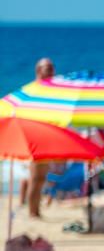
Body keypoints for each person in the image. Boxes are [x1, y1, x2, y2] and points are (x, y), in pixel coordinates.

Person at [21, 58, 56, 218]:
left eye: (51, 68)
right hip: (35, 135)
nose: (50, 71)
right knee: (35, 177)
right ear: (38, 70)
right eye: (47, 68)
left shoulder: (50, 90)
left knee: (41, 177)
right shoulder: (34, 89)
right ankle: (32, 212)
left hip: (46, 135)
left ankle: (35, 210)